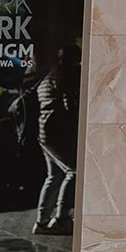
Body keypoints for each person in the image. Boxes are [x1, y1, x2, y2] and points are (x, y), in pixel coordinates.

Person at [33, 42, 81, 235]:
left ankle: (42, 222)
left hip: (44, 133)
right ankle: (60, 219)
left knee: (54, 176)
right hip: (58, 133)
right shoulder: (64, 76)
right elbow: (70, 105)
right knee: (74, 171)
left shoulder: (47, 78)